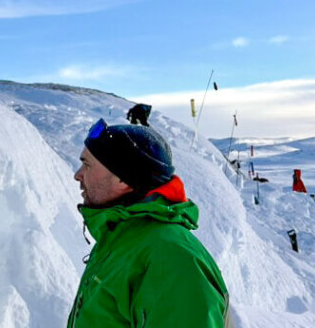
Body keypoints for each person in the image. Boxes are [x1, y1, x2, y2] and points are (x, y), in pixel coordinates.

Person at [68, 119, 230, 327]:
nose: (77, 175)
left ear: (125, 179)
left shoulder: (170, 257)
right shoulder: (120, 237)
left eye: (87, 165)